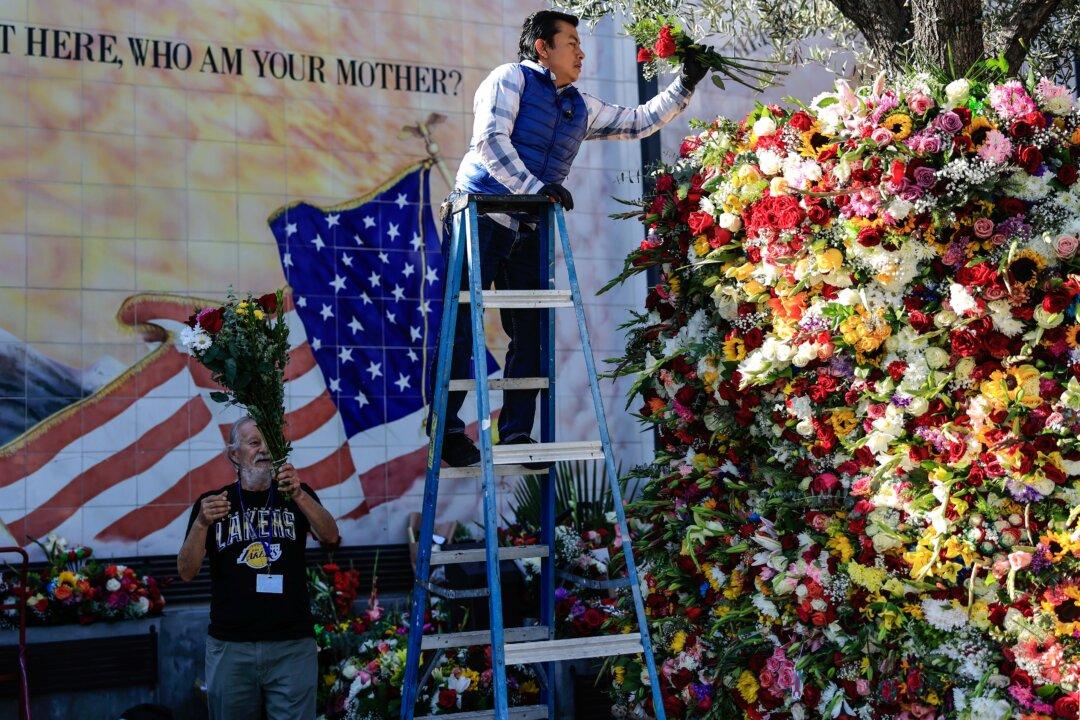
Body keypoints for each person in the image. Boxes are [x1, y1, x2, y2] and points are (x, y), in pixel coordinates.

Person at [435, 9, 708, 467]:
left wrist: (685, 83)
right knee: (461, 325)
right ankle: (446, 433)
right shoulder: (509, 79)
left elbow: (638, 121)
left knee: (533, 331)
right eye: (571, 43)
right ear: (542, 48)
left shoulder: (579, 105)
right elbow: (489, 142)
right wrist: (534, 189)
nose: (581, 52)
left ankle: (518, 433)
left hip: (527, 224)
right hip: (477, 212)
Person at [177, 416, 340, 720]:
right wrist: (201, 523)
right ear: (234, 455)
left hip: (292, 644)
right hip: (231, 646)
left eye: (269, 443)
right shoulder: (212, 504)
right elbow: (186, 572)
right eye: (254, 443)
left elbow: (331, 537)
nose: (264, 450)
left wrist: (301, 495)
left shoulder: (296, 493)